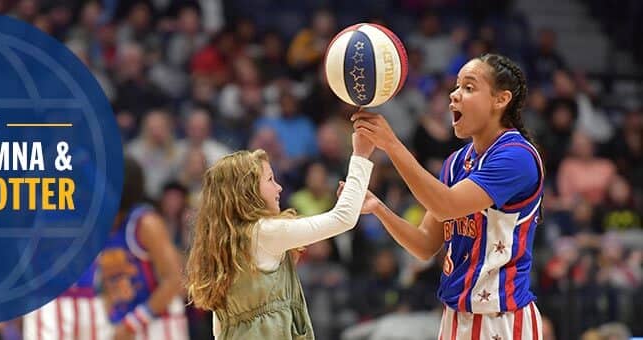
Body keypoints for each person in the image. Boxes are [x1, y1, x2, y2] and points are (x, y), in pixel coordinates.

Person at [352, 53, 545, 339]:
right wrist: (379, 208)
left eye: (469, 87)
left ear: (501, 99)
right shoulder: (456, 163)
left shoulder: (517, 157)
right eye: (456, 86)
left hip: (500, 318)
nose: (454, 95)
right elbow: (424, 245)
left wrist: (391, 145)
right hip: (455, 316)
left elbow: (446, 206)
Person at [185, 132, 375, 339]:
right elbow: (343, 218)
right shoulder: (265, 232)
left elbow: (219, 328)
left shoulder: (224, 242)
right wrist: (361, 155)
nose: (279, 187)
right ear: (248, 190)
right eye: (270, 179)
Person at [95, 157, 188, 340]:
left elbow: (175, 279)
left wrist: (133, 322)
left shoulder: (145, 223)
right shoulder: (103, 227)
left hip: (159, 325)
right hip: (123, 325)